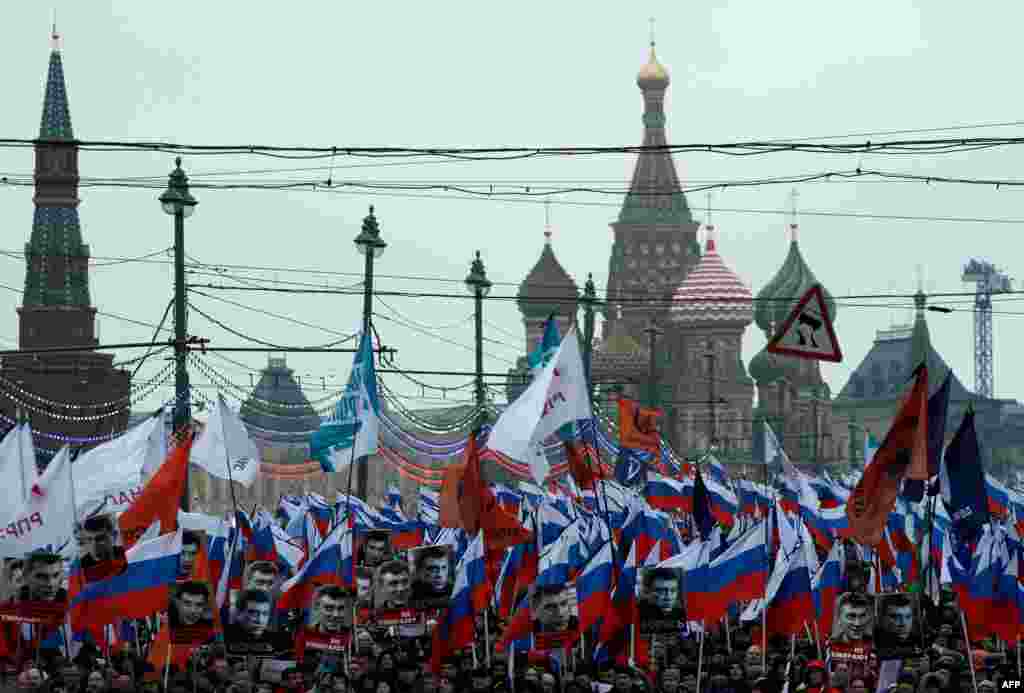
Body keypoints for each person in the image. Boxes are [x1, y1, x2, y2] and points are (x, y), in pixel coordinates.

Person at [78, 516, 126, 582]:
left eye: (100, 538)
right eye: (89, 539)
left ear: (114, 536)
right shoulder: (81, 567)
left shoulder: (126, 555)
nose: (94, 546)